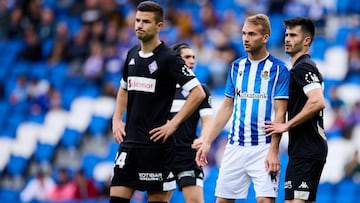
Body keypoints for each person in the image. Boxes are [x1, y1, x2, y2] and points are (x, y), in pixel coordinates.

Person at [110, 1, 206, 203]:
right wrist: (117, 119)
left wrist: (173, 124)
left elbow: (198, 93)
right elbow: (123, 88)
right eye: (137, 20)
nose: (139, 25)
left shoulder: (169, 58)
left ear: (159, 26)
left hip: (156, 147)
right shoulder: (131, 54)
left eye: (145, 21)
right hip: (129, 145)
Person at [196, 14, 290, 203]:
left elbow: (281, 113)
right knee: (222, 201)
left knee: (265, 200)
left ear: (265, 37)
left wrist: (273, 150)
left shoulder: (279, 69)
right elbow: (226, 108)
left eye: (252, 34)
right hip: (235, 145)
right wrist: (206, 141)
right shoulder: (235, 67)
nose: (246, 38)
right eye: (244, 33)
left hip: (263, 147)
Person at [263, 17, 328, 203]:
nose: (287, 39)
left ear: (306, 41)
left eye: (293, 35)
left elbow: (317, 102)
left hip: (308, 149)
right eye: (286, 35)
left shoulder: (304, 67)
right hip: (300, 149)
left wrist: (286, 125)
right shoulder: (298, 68)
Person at [166, 42, 213, 203]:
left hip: (187, 155)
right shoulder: (162, 89)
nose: (192, 60)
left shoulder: (201, 90)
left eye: (193, 57)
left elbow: (208, 120)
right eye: (187, 57)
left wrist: (204, 138)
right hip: (163, 154)